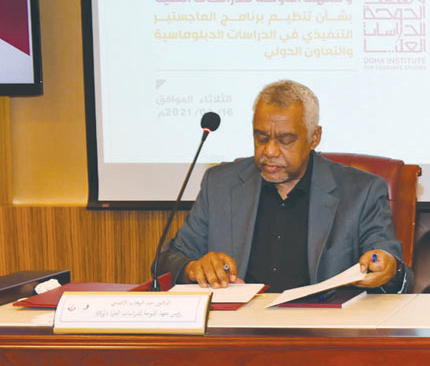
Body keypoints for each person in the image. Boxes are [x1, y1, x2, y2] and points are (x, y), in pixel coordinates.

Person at [156, 79, 412, 293]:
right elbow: (167, 260)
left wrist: (387, 265)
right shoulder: (221, 185)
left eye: (285, 140)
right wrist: (194, 268)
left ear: (314, 137)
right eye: (261, 138)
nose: (270, 151)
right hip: (237, 336)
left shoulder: (361, 192)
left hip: (323, 337)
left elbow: (385, 257)